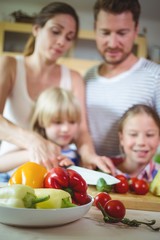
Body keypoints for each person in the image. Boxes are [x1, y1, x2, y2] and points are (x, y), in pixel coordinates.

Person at [0, 1, 115, 181]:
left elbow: (81, 131)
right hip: (8, 167)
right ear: (37, 29)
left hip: (50, 172)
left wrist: (89, 155)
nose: (62, 41)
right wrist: (34, 141)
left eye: (69, 37)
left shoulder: (74, 78)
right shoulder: (9, 65)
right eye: (55, 31)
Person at [85, 0, 160, 161]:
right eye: (105, 33)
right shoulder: (88, 78)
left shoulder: (156, 77)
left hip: (139, 182)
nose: (112, 43)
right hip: (91, 177)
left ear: (135, 30)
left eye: (122, 33)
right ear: (95, 30)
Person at [0, 87, 81, 177]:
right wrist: (35, 154)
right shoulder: (35, 146)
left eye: (72, 122)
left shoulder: (75, 152)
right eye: (58, 122)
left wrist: (69, 169)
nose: (66, 129)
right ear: (41, 122)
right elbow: (1, 164)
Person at [113, 104, 160, 182]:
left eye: (149, 135)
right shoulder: (105, 171)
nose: (141, 142)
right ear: (121, 138)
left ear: (159, 138)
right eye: (133, 134)